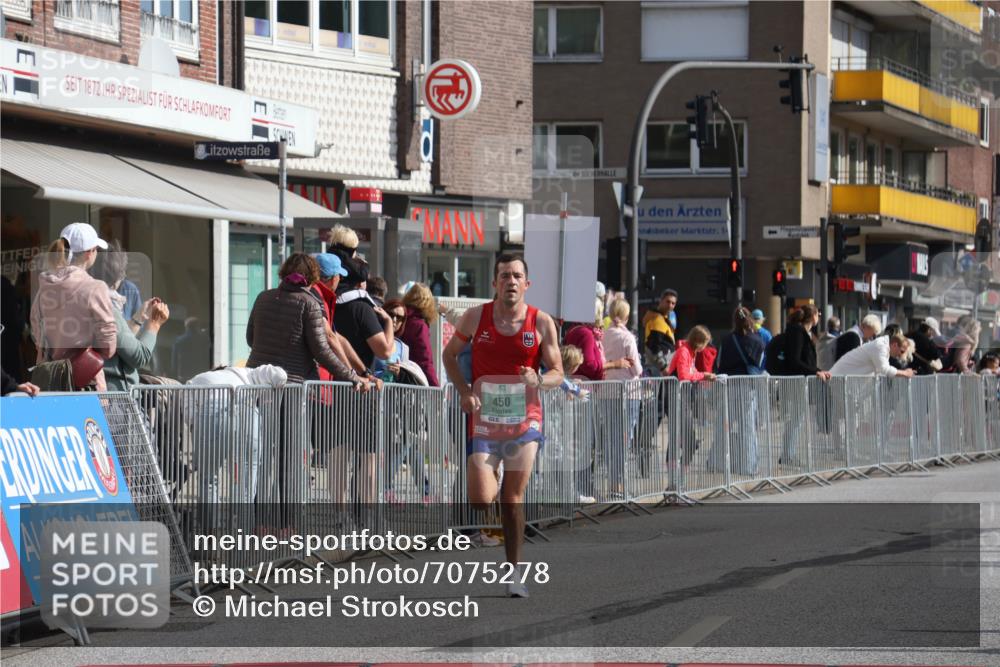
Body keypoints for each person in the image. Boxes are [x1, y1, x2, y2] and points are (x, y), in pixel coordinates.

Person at [442, 253, 563, 598]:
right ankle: (490, 477)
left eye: (517, 276)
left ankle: (515, 574)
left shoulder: (541, 323)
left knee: (512, 498)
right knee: (480, 501)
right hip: (485, 419)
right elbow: (449, 356)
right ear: (494, 283)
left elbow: (558, 373)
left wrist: (539, 379)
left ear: (527, 284)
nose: (511, 281)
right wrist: (464, 391)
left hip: (525, 421)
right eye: (504, 276)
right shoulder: (475, 317)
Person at [246, 253, 371, 528]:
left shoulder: (263, 297)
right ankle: (285, 526)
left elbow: (250, 338)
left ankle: (259, 523)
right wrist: (353, 377)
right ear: (314, 277)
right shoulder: (309, 303)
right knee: (288, 460)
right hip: (291, 388)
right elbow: (322, 350)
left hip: (257, 384)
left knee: (260, 457)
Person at [30, 223, 117, 391]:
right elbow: (108, 346)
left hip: (50, 382)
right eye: (96, 249)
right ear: (89, 253)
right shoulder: (95, 288)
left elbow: (37, 336)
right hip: (85, 382)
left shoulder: (44, 288)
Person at [89, 240, 170, 391]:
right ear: (119, 276)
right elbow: (139, 356)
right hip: (115, 398)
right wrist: (154, 323)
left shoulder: (81, 299)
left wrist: (138, 318)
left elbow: (119, 341)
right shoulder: (106, 307)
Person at [601, 299, 643, 500]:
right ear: (626, 316)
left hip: (607, 391)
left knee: (611, 439)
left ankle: (612, 483)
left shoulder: (603, 335)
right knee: (625, 439)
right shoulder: (628, 338)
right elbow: (637, 369)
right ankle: (620, 485)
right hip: (628, 393)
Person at [401, 283, 441, 387]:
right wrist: (435, 386)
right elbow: (425, 360)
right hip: (413, 380)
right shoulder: (419, 325)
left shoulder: (401, 318)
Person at [830, 333, 916, 378]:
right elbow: (884, 369)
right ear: (894, 345)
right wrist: (905, 373)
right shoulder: (880, 346)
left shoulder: (883, 346)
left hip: (844, 378)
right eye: (901, 351)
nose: (900, 355)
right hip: (839, 378)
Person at [642, 289, 678, 375]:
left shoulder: (662, 319)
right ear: (661, 301)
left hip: (660, 367)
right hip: (659, 369)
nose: (670, 305)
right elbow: (654, 346)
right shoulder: (657, 320)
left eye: (673, 303)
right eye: (668, 302)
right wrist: (664, 367)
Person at [172, 318, 212, 383]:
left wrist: (174, 375)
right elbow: (206, 356)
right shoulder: (203, 340)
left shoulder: (179, 340)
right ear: (197, 326)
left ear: (186, 327)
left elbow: (174, 360)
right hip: (200, 374)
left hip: (183, 375)